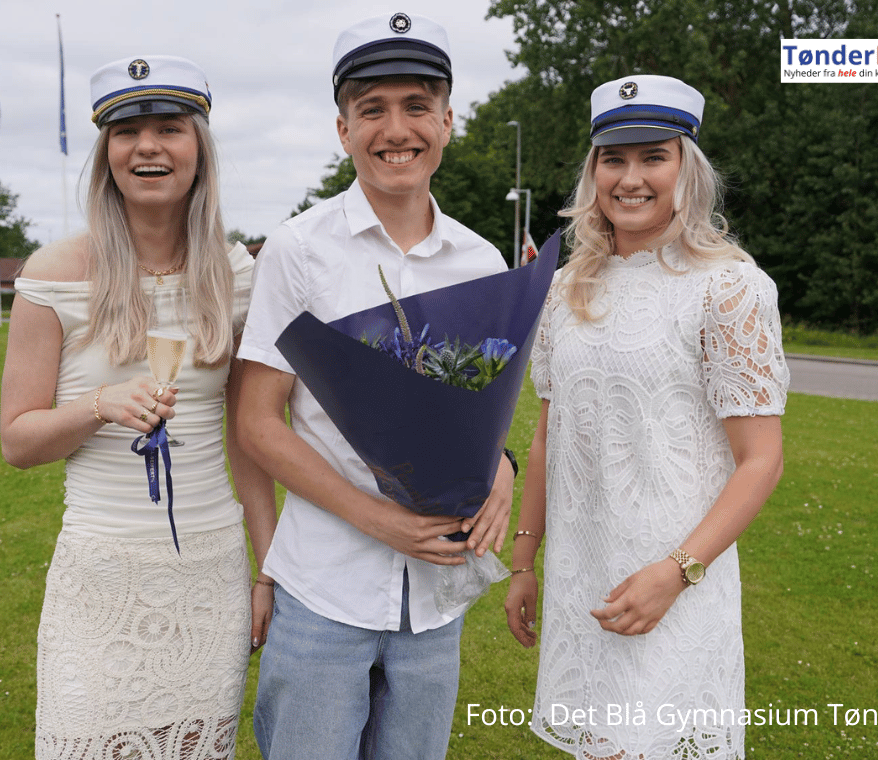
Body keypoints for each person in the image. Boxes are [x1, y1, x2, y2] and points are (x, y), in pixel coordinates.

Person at [236, 13, 516, 759]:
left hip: (435, 601)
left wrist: (506, 468)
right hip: (324, 589)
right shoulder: (299, 250)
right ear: (342, 128)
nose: (397, 129)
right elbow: (258, 423)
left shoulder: (482, 260)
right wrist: (376, 518)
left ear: (448, 121)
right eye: (372, 109)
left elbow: (484, 416)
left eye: (417, 106)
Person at [504, 75, 790, 759]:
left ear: (686, 168)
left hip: (676, 582)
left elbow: (762, 460)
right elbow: (549, 433)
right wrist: (524, 559)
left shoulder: (729, 287)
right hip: (586, 577)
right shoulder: (567, 287)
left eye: (652, 157)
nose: (631, 178)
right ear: (593, 171)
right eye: (613, 158)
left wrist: (678, 571)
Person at [0, 55, 276, 760]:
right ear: (108, 154)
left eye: (169, 128)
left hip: (208, 569)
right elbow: (18, 442)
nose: (147, 146)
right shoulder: (52, 276)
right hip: (101, 575)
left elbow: (249, 436)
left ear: (198, 150)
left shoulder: (238, 274)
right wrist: (98, 403)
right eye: (127, 131)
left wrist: (265, 569)